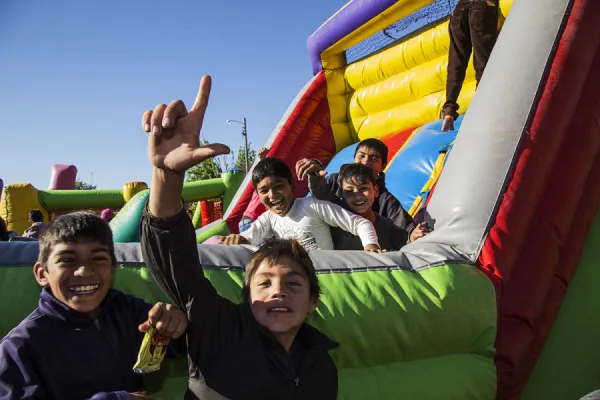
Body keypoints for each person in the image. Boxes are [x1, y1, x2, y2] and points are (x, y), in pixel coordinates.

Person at [140, 74, 339, 399]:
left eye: (293, 283)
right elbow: (174, 259)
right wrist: (167, 174)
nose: (277, 292)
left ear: (312, 301)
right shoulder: (219, 329)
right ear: (247, 296)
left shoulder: (320, 365)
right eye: (264, 283)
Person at [0, 212, 188, 400]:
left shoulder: (127, 311)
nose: (84, 271)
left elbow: (179, 344)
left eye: (98, 259)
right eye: (67, 260)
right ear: (42, 274)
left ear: (112, 268)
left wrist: (176, 325)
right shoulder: (18, 348)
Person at [221, 157, 381, 252]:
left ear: (292, 185)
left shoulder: (312, 206)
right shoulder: (268, 218)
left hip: (329, 275)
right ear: (258, 195)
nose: (272, 195)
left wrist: (371, 247)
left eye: (278, 187)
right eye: (264, 191)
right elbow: (249, 238)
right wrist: (236, 240)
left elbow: (359, 223)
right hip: (300, 283)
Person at [296, 138, 415, 233]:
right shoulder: (335, 181)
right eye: (361, 156)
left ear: (383, 166)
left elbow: (404, 228)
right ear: (354, 158)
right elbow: (320, 194)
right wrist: (315, 175)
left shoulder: (385, 201)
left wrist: (413, 234)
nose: (365, 162)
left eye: (373, 159)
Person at [331, 163, 430, 251]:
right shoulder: (335, 226)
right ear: (342, 196)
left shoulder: (385, 226)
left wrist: (412, 237)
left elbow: (404, 241)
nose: (357, 196)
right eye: (349, 191)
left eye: (364, 188)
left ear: (376, 191)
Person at [441, 0, 499, 132]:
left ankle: (449, 110)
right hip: (483, 5)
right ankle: (484, 107)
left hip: (459, 10)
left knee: (456, 62)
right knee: (484, 61)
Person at [239, 146, 270, 233]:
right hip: (251, 221)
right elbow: (263, 172)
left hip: (247, 221)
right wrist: (262, 158)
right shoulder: (264, 185)